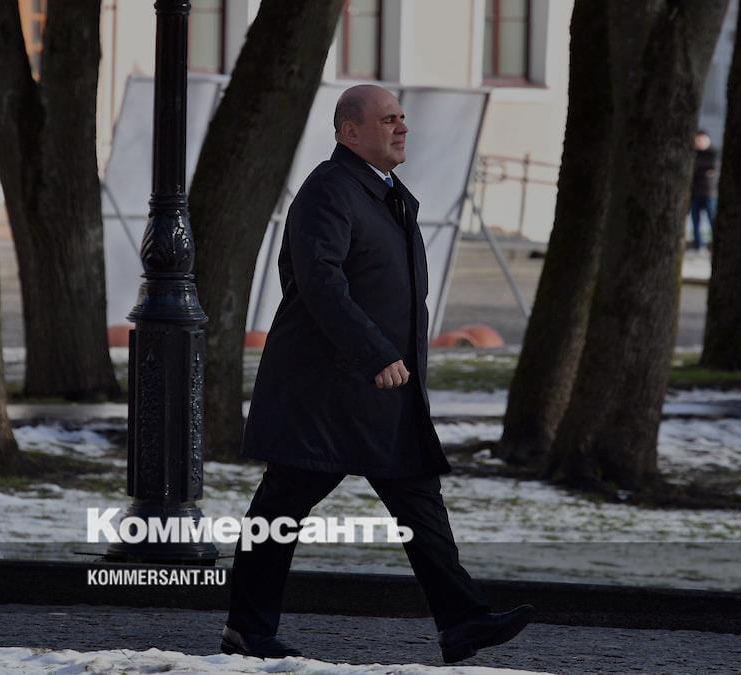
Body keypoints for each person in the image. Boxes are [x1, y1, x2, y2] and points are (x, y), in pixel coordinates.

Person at [220, 84, 534, 664]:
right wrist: (375, 353)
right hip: (325, 392)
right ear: (350, 132)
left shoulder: (386, 193)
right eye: (388, 119)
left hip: (383, 391)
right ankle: (247, 630)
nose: (402, 127)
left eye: (402, 117)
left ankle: (462, 622)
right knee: (282, 507)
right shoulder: (329, 190)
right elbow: (320, 282)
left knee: (419, 502)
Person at [689, 129, 718, 251]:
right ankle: (698, 244)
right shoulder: (693, 153)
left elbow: (711, 168)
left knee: (712, 219)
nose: (699, 142)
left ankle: (715, 243)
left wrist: (698, 170)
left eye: (701, 139)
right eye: (698, 140)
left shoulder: (713, 153)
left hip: (709, 193)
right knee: (695, 221)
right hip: (695, 192)